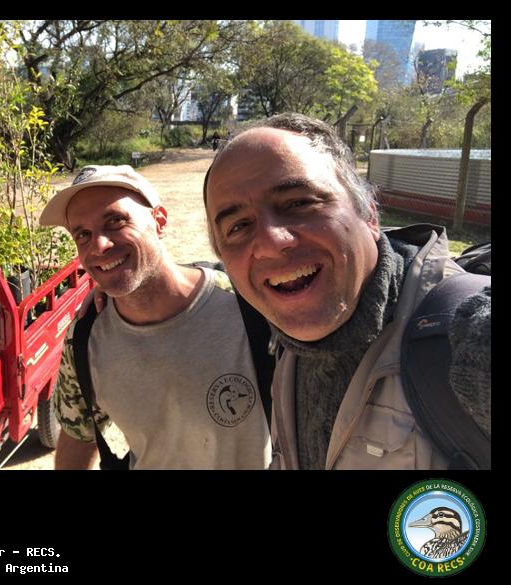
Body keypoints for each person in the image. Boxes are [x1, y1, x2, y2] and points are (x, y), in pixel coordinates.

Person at [202, 113, 491, 469]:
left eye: (298, 203)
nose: (271, 243)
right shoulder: (282, 339)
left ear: (369, 214)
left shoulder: (465, 337)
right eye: (238, 226)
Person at [39, 165, 271, 469]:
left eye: (115, 221)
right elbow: (78, 434)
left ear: (159, 221)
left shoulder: (248, 303)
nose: (99, 245)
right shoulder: (85, 337)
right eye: (83, 234)